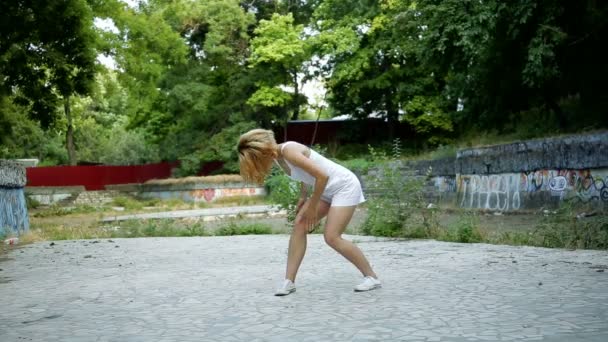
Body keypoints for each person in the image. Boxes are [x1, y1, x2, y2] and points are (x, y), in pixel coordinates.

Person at [237, 128, 381, 296]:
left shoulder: (289, 150)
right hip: (326, 189)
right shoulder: (278, 157)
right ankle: (289, 282)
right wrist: (303, 197)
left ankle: (372, 277)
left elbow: (322, 176)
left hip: (344, 186)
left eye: (254, 160)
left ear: (261, 152)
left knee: (332, 237)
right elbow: (306, 175)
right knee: (299, 225)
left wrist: (312, 207)